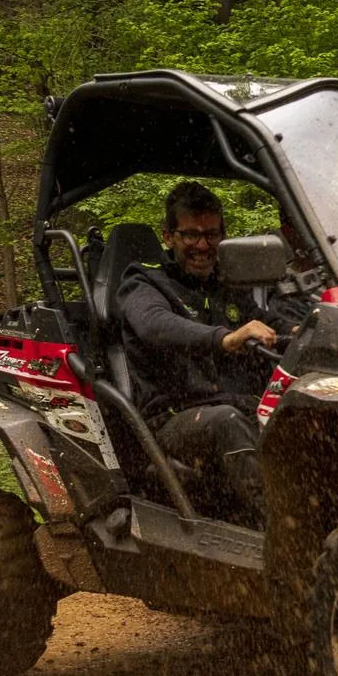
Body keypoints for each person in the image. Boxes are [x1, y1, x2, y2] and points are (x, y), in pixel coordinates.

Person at [115, 181, 280, 522]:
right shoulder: (143, 282)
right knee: (227, 422)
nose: (202, 245)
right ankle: (284, 535)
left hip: (238, 403)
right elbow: (153, 324)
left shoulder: (226, 285)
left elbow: (271, 325)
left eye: (212, 234)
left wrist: (311, 328)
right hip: (174, 418)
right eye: (190, 235)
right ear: (168, 236)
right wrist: (225, 338)